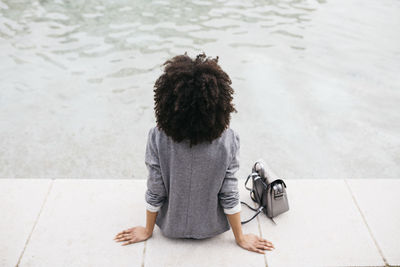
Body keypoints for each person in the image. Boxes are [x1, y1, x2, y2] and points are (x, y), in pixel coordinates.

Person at [114, 53, 274, 254]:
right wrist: (240, 238)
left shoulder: (157, 136)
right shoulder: (229, 139)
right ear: (219, 103)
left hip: (170, 227)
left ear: (167, 102)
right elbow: (229, 192)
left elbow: (156, 188)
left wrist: (147, 230)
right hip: (211, 228)